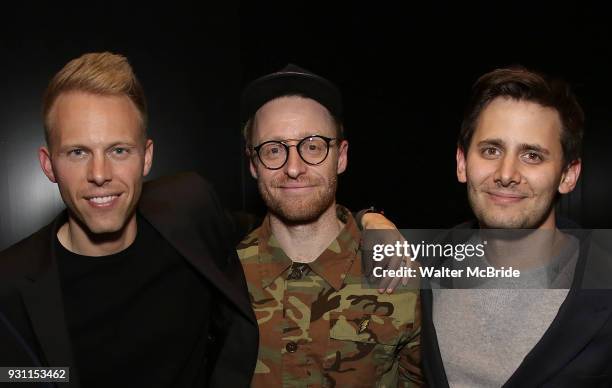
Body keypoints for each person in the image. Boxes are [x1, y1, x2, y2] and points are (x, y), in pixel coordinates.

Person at [0, 52, 258, 388]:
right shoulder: (10, 282)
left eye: (118, 150)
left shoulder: (190, 208)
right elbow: (11, 375)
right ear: (49, 165)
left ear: (146, 157)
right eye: (78, 152)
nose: (99, 174)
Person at [420, 67, 612, 386]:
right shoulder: (425, 267)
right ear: (462, 162)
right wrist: (370, 218)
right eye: (491, 150)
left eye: (533, 156)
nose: (506, 173)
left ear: (568, 175)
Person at [237, 64, 423, 387]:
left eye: (313, 146)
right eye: (273, 150)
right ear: (253, 164)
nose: (293, 168)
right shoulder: (225, 278)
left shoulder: (399, 274)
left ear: (341, 157)